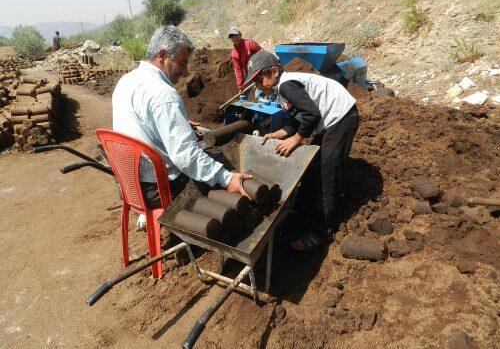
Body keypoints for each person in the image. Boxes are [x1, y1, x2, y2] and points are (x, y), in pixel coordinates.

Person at [112, 25, 251, 209]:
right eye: (183, 63)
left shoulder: (127, 80)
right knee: (221, 162)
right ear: (162, 55)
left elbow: (140, 122)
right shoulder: (163, 94)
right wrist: (226, 179)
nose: (186, 71)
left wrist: (179, 124)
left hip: (129, 184)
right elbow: (185, 156)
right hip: (157, 189)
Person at [244, 51, 360, 251]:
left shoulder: (287, 85)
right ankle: (305, 213)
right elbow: (295, 122)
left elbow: (312, 114)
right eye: (254, 82)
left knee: (327, 173)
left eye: (259, 79)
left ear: (273, 71)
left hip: (341, 117)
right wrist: (277, 135)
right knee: (312, 167)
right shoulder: (281, 92)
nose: (258, 86)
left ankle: (322, 231)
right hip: (328, 122)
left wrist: (297, 140)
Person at [228, 27, 262, 99]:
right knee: (243, 94)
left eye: (236, 35)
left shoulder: (250, 43)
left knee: (260, 93)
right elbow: (238, 70)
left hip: (259, 70)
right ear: (231, 39)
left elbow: (262, 54)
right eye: (232, 37)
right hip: (248, 73)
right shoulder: (234, 53)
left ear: (240, 35)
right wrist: (240, 86)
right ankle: (242, 107)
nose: (235, 38)